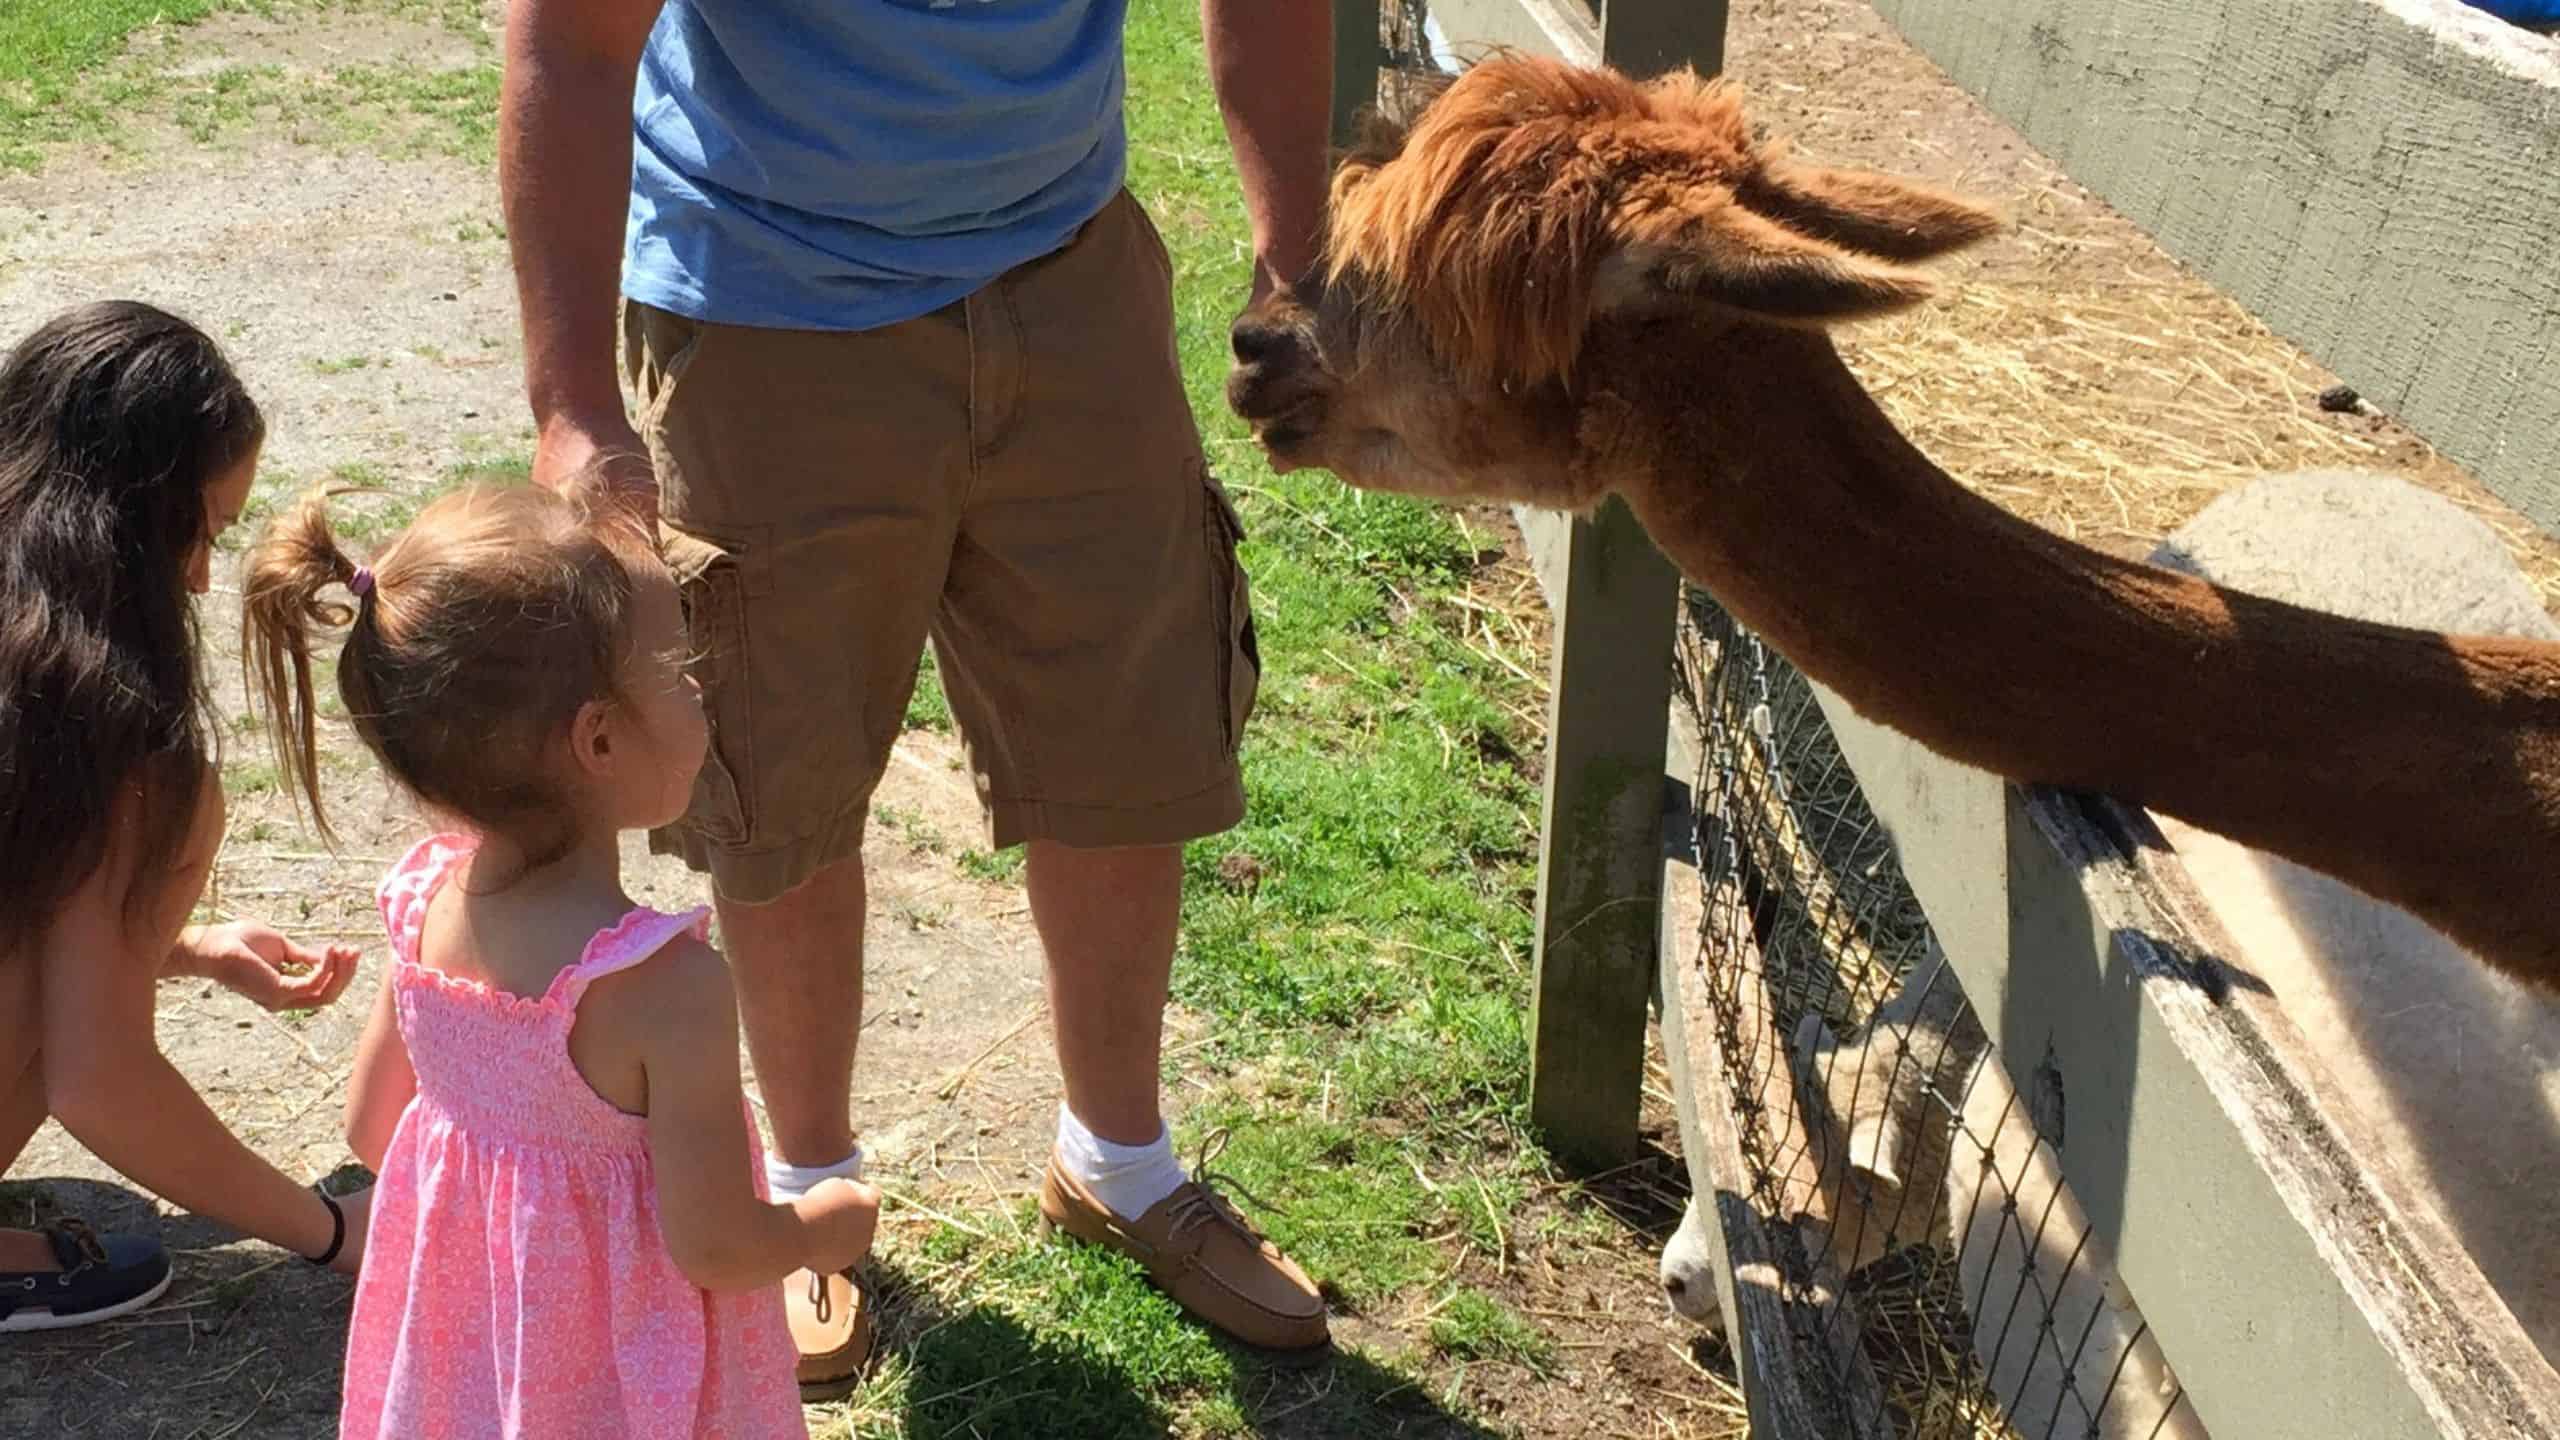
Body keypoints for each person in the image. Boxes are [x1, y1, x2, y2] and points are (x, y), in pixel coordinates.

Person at [498, 0, 1336, 1391]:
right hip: (760, 298)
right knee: (777, 775)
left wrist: (1298, 258)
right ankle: (810, 1197)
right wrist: (574, 402)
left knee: (1122, 735)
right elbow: (574, 44)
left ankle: (1118, 1162)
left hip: (1070, 269)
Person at [240, 482, 881, 1437]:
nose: (698, 685)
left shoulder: (423, 909)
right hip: (623, 1384)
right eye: (676, 668)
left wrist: (503, 1216)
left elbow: (373, 1129)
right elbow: (712, 1246)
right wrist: (822, 1227)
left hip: (477, 1367)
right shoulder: (665, 987)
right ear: (600, 737)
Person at [0, 300, 371, 1331]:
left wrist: (190, 947)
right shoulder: (117, 744)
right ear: (129, 534)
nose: (202, 576)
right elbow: (97, 1079)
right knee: (60, 1017)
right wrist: (333, 1231)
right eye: (196, 537)